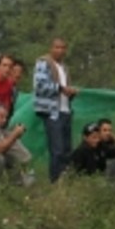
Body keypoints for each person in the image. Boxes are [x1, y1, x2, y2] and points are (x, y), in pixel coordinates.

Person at [32, 38, 78, 182]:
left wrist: (71, 92)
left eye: (63, 48)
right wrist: (61, 88)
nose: (60, 50)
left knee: (66, 150)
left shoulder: (63, 67)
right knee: (57, 150)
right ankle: (55, 181)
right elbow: (40, 86)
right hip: (52, 111)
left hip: (65, 109)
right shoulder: (44, 63)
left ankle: (65, 181)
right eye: (57, 47)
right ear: (51, 48)